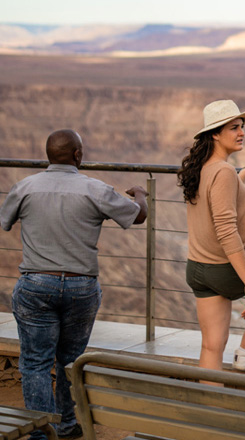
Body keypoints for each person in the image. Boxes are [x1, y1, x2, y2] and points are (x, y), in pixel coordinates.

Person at [0, 129, 148, 440]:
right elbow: (137, 217)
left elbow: (5, 220)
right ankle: (67, 425)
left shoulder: (25, 187)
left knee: (35, 363)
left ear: (48, 155)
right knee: (69, 361)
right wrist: (141, 195)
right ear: (78, 155)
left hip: (35, 285)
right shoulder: (94, 189)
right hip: (81, 288)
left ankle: (41, 433)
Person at [177, 99, 245, 375]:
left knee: (211, 347)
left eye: (242, 127)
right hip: (229, 267)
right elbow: (226, 230)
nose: (241, 133)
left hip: (198, 269)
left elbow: (221, 197)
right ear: (215, 133)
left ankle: (210, 409)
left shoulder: (203, 169)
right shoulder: (224, 172)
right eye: (233, 128)